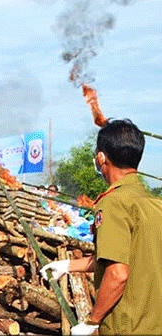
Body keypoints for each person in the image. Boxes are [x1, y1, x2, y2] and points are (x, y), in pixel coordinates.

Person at [40, 119, 162, 335]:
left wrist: (92, 320)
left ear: (101, 157)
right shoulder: (154, 204)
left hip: (127, 328)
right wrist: (67, 265)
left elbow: (118, 273)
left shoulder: (113, 202)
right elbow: (124, 257)